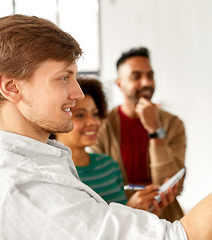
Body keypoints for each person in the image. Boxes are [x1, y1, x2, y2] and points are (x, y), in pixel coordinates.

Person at [0, 14, 212, 240]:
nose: (77, 94)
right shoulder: (24, 189)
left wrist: (156, 133)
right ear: (11, 87)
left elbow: (173, 183)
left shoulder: (41, 167)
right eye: (64, 77)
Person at [53, 76, 177, 217]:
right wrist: (130, 209)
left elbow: (128, 226)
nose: (93, 122)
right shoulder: (55, 174)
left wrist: (147, 212)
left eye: (95, 114)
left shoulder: (109, 166)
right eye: (80, 115)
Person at [91, 47, 187, 222]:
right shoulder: (103, 125)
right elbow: (100, 184)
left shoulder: (173, 124)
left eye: (150, 75)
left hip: (166, 220)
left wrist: (155, 130)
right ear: (119, 83)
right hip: (122, 219)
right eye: (136, 76)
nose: (146, 83)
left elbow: (174, 186)